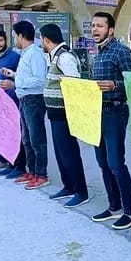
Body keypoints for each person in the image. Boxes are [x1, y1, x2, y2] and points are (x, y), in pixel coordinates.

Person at [88, 12, 131, 230]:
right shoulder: (98, 54)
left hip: (115, 112)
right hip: (97, 112)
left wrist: (115, 85)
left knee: (116, 162)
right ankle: (114, 206)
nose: (95, 30)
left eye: (100, 26)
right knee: (102, 162)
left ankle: (130, 211)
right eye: (93, 26)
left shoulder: (121, 51)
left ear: (111, 30)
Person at [39, 23, 90, 207]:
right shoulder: (55, 56)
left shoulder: (65, 57)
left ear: (46, 40)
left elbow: (75, 84)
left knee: (69, 154)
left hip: (65, 115)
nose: (41, 42)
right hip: (56, 115)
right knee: (61, 154)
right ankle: (68, 186)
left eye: (41, 39)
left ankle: (81, 192)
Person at [1, 20, 49, 190]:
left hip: (33, 100)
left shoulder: (35, 53)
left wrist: (16, 84)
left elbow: (40, 80)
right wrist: (14, 75)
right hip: (25, 100)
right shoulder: (26, 53)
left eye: (15, 36)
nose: (14, 39)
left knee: (37, 139)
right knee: (27, 139)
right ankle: (32, 171)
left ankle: (41, 175)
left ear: (21, 36)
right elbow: (28, 76)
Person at [0, 30, 26, 180]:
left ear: (5, 40)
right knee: (5, 134)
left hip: (13, 101)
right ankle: (9, 163)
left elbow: (21, 77)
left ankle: (20, 166)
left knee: (16, 135)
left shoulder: (15, 57)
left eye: (0, 40)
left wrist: (13, 84)